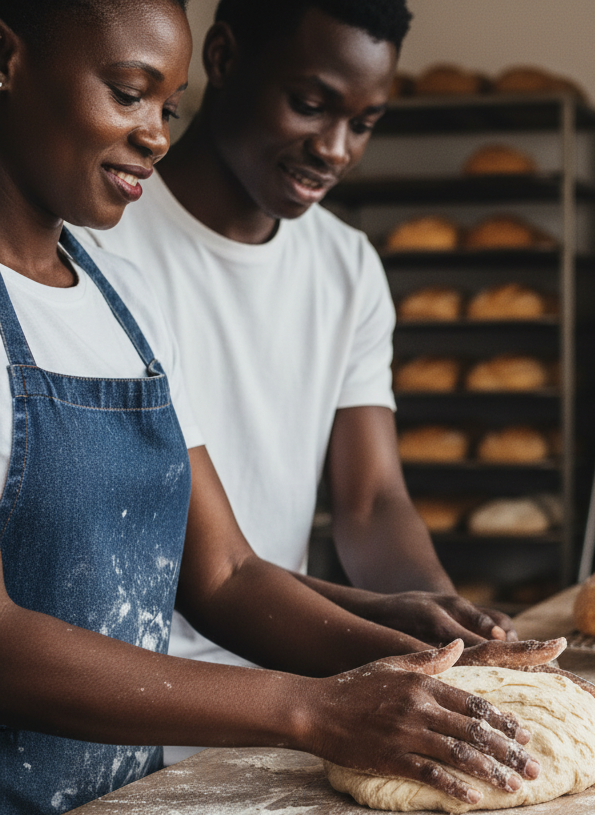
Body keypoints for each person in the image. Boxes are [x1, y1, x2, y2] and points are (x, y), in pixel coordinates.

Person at [84, 0, 522, 670]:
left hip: (290, 665)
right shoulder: (100, 242)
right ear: (223, 59)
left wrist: (443, 621)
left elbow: (371, 502)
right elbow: (213, 570)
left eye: (363, 124)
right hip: (139, 679)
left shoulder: (346, 266)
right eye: (310, 105)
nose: (336, 149)